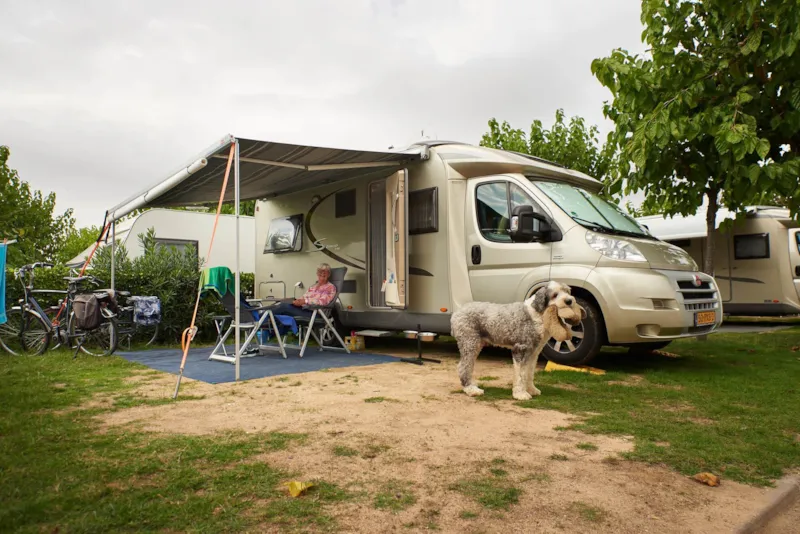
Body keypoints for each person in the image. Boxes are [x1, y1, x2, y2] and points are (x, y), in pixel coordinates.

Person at [267, 263, 337, 319]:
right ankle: (263, 323)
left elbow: (323, 302)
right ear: (317, 274)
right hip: (304, 309)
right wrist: (297, 301)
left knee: (283, 307)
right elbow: (304, 297)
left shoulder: (330, 287)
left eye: (325, 272)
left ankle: (258, 319)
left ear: (329, 275)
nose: (322, 273)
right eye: (320, 272)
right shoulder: (313, 287)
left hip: (315, 314)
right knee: (280, 305)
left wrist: (305, 301)